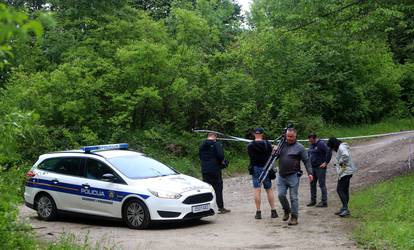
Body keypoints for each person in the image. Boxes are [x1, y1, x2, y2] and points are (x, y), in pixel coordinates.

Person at [277, 128, 313, 225]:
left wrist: (310, 173)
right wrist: (274, 150)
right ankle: (286, 210)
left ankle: (294, 217)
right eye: (288, 136)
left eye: (292, 136)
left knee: (293, 197)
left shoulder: (300, 147)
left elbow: (306, 161)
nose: (289, 138)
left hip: (293, 175)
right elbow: (274, 157)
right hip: (281, 175)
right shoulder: (281, 145)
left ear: (295, 136)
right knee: (280, 195)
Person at [247, 128, 278, 219]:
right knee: (269, 189)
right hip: (266, 168)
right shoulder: (267, 144)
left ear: (254, 134)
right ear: (262, 134)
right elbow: (272, 154)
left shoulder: (250, 145)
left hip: (256, 168)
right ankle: (273, 211)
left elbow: (250, 156)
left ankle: (258, 212)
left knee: (257, 189)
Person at [199, 132, 231, 214]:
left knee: (207, 189)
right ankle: (221, 207)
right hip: (215, 169)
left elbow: (200, 156)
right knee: (218, 188)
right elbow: (221, 155)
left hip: (205, 169)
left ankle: (204, 208)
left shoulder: (202, 145)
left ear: (208, 137)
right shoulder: (216, 144)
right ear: (215, 137)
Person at [327, 137, 357, 217]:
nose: (332, 149)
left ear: (334, 144)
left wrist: (339, 163)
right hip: (346, 171)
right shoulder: (341, 147)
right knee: (344, 190)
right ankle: (344, 208)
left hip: (346, 172)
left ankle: (345, 209)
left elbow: (345, 156)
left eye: (332, 147)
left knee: (339, 190)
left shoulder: (341, 147)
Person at [307, 133, 332, 207]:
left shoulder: (321, 144)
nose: (310, 142)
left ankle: (324, 202)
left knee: (322, 184)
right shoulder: (311, 145)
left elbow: (329, 151)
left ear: (315, 138)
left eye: (311, 141)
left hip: (320, 167)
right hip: (312, 167)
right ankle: (313, 201)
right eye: (309, 141)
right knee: (312, 184)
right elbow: (309, 154)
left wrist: (326, 162)